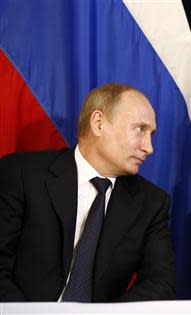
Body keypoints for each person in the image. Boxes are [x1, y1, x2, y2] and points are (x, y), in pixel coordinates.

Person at [0, 83, 176, 302]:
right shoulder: (22, 174)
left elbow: (160, 284)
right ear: (98, 123)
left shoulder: (151, 203)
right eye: (140, 129)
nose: (149, 148)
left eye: (151, 134)